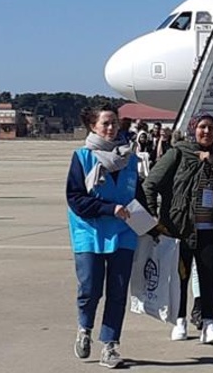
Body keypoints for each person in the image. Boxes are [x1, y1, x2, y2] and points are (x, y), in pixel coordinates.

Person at [143, 112, 213, 344]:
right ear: (193, 129)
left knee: (211, 277)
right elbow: (150, 183)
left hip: (210, 229)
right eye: (202, 127)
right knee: (180, 276)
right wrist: (152, 216)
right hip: (179, 229)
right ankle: (179, 320)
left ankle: (209, 322)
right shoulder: (178, 153)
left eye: (211, 127)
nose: (206, 132)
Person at [65, 103, 147, 368]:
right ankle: (84, 328)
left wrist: (153, 225)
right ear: (93, 127)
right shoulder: (82, 157)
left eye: (115, 122)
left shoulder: (131, 159)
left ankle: (110, 344)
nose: (112, 128)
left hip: (123, 233)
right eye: (105, 124)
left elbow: (139, 196)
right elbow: (75, 199)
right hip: (90, 232)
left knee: (118, 290)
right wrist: (110, 209)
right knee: (90, 289)